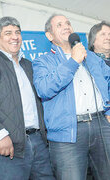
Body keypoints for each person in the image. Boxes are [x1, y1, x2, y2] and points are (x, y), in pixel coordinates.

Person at [0, 16, 55, 180]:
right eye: (8, 33)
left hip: (39, 143)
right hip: (7, 146)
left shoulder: (29, 65)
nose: (14, 37)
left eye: (17, 32)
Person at [32, 14, 110, 180]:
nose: (66, 26)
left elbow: (109, 81)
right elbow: (44, 89)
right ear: (49, 36)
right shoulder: (43, 62)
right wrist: (73, 60)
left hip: (101, 125)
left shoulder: (92, 57)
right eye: (59, 25)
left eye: (68, 23)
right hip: (67, 132)